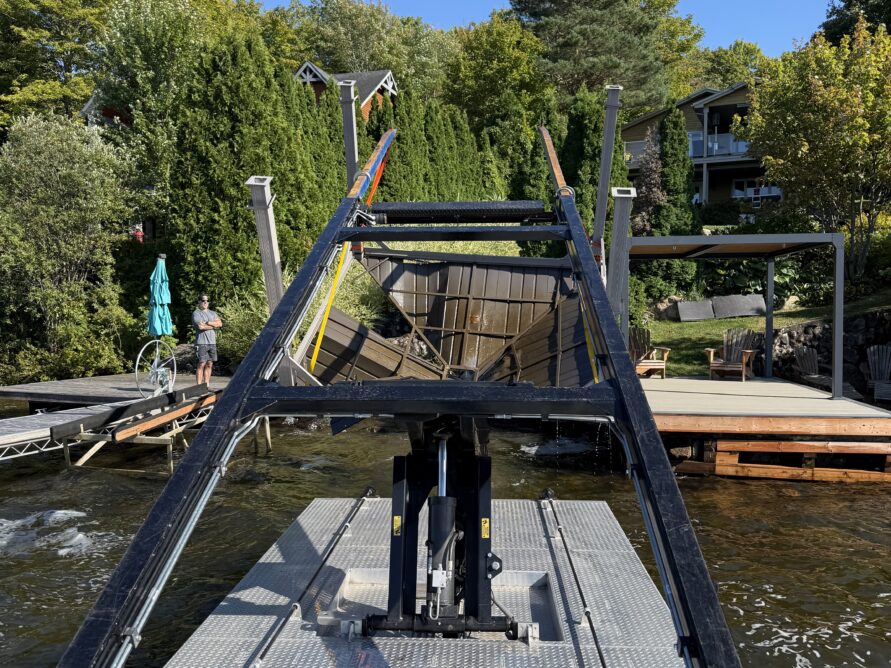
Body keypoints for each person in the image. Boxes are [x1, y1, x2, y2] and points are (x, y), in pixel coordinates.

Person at [192, 294, 222, 386]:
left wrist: (208, 322)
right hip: (201, 342)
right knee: (201, 363)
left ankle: (206, 385)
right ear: (199, 302)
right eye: (203, 300)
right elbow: (200, 327)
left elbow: (220, 324)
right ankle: (198, 386)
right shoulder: (196, 313)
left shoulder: (213, 313)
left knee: (209, 363)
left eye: (207, 300)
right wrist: (213, 325)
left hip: (212, 342)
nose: (205, 302)